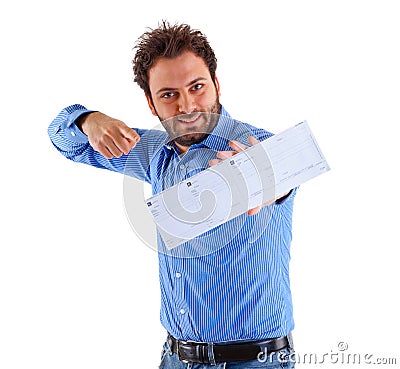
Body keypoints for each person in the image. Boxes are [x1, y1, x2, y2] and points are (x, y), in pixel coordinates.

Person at [48, 21, 297, 368]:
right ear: (151, 103)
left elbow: (286, 174)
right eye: (169, 95)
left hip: (254, 361)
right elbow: (64, 142)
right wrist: (87, 120)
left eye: (197, 87)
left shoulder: (260, 146)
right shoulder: (151, 152)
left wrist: (266, 180)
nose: (187, 106)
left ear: (216, 84)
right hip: (175, 357)